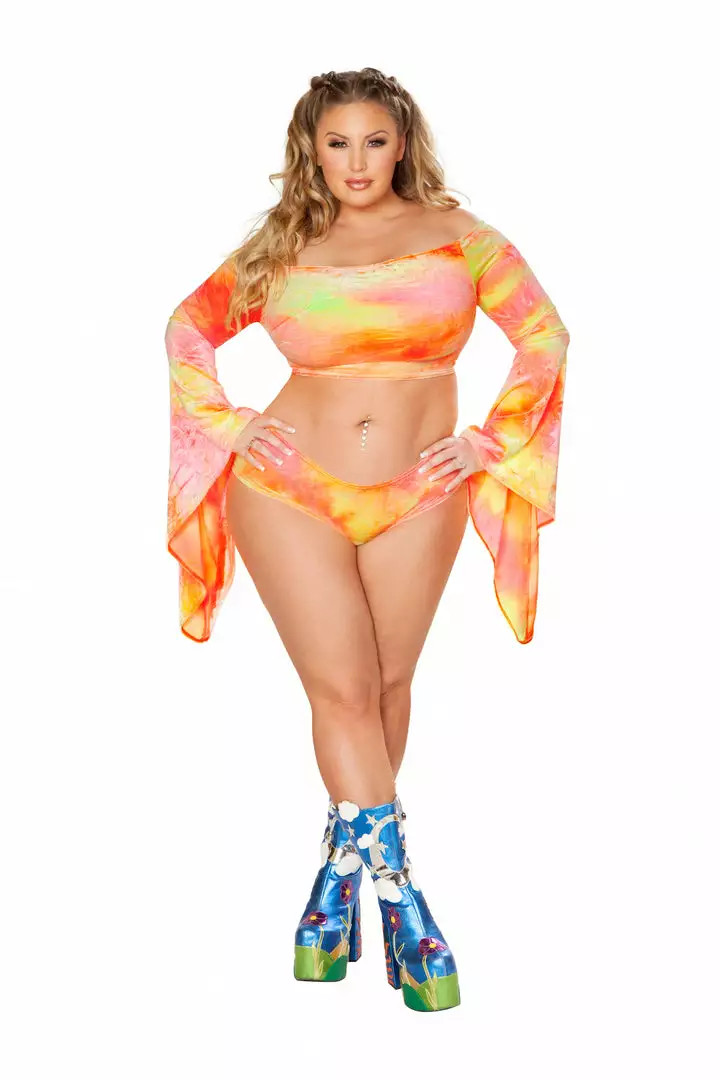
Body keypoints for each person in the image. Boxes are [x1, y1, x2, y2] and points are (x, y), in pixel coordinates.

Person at [164, 67, 570, 1012]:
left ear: (402, 145)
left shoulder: (461, 237)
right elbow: (188, 327)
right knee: (342, 689)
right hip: (287, 487)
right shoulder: (280, 246)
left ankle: (335, 880)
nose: (356, 162)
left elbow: (544, 335)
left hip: (420, 488)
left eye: (374, 141)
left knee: (386, 686)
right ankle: (403, 899)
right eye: (337, 142)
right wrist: (228, 424)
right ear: (311, 149)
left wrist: (492, 440)